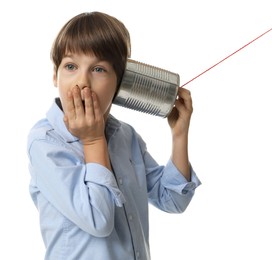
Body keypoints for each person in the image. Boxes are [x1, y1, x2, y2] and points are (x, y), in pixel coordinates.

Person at [27, 11, 201, 260]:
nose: (82, 81)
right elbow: (98, 219)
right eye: (70, 66)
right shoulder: (45, 141)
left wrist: (179, 134)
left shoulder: (125, 136)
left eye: (98, 69)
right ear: (55, 74)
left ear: (120, 84)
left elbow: (172, 199)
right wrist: (93, 140)